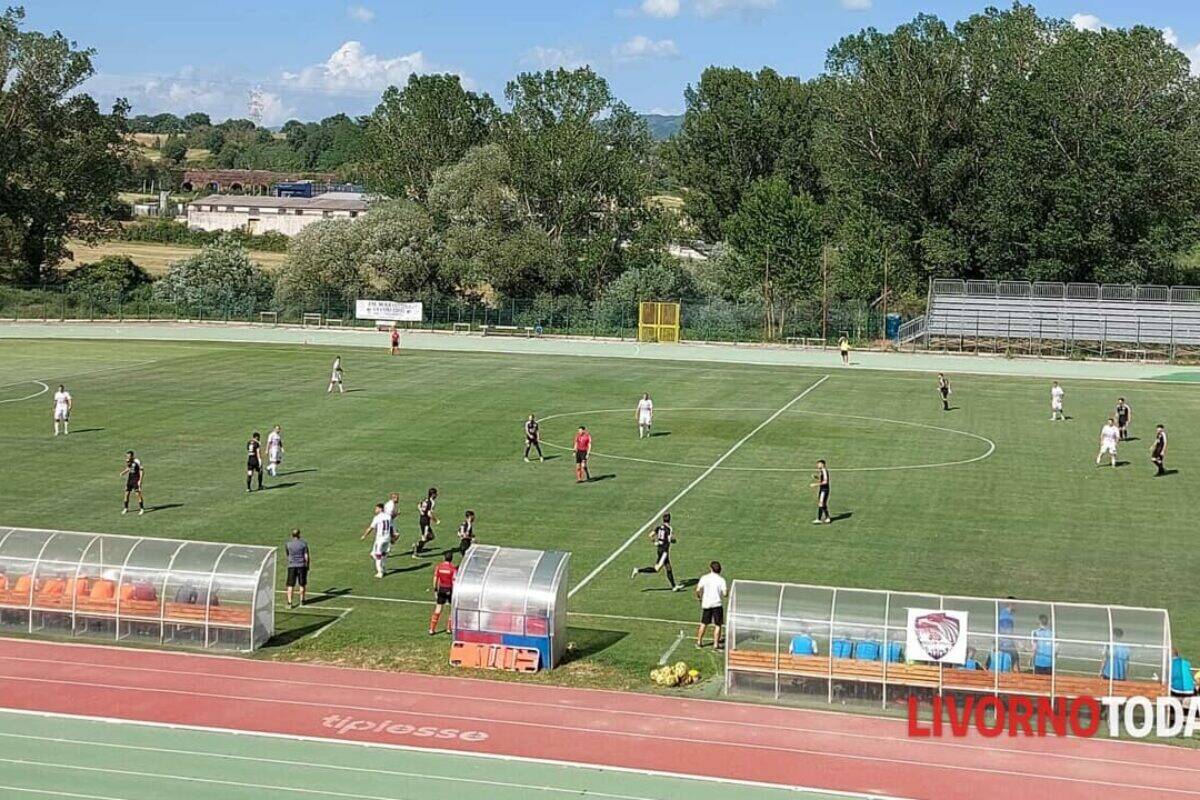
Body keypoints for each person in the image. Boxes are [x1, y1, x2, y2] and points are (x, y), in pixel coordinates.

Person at [631, 513, 680, 591]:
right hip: (664, 551)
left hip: (660, 549)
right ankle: (637, 570)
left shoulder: (659, 527)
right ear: (670, 519)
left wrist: (655, 542)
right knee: (657, 569)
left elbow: (650, 535)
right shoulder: (669, 529)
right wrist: (674, 541)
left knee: (668, 567)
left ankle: (674, 586)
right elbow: (670, 539)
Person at [695, 561, 727, 649]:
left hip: (707, 604)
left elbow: (698, 590)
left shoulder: (705, 578)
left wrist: (699, 597)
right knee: (718, 625)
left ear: (711, 568)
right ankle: (716, 644)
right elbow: (725, 594)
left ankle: (699, 642)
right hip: (717, 604)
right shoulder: (721, 580)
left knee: (704, 623)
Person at [429, 552, 457, 635]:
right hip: (450, 589)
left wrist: (435, 589)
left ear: (444, 558)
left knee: (438, 609)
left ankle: (431, 629)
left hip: (441, 589)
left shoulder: (439, 567)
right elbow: (454, 580)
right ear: (451, 559)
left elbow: (435, 578)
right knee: (452, 609)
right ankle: (449, 629)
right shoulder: (453, 569)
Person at [361, 502, 391, 578]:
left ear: (380, 509)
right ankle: (383, 568)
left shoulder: (377, 518)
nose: (375, 510)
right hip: (387, 538)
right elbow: (390, 527)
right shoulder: (388, 516)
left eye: (376, 508)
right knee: (382, 554)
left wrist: (364, 535)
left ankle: (380, 572)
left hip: (380, 539)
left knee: (377, 555)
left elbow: (371, 528)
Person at [284, 528, 310, 608]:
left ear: (292, 535)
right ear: (299, 534)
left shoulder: (288, 544)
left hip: (292, 566)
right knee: (302, 584)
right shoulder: (303, 544)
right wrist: (307, 565)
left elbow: (288, 555)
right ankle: (302, 600)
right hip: (301, 565)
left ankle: (289, 602)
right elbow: (306, 556)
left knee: (290, 585)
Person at [411, 487, 439, 557]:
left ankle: (419, 547)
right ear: (432, 494)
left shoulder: (425, 500)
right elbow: (429, 514)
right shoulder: (431, 502)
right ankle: (416, 548)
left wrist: (421, 511)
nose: (436, 495)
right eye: (435, 494)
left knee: (431, 536)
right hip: (425, 521)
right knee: (425, 537)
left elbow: (418, 505)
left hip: (422, 520)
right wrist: (436, 520)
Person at [121, 451, 145, 515]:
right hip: (130, 479)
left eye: (129, 456)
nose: (127, 457)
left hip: (135, 479)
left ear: (132, 456)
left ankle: (142, 509)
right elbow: (129, 468)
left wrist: (140, 480)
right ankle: (126, 508)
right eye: (127, 456)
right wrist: (123, 472)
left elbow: (142, 470)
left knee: (137, 494)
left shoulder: (137, 461)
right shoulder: (128, 461)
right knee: (126, 493)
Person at [810, 459, 831, 524]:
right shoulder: (822, 471)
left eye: (818, 464)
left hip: (824, 490)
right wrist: (816, 478)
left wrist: (815, 484)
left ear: (822, 464)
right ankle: (826, 518)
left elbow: (825, 482)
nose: (817, 465)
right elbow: (822, 480)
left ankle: (821, 518)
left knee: (821, 503)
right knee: (822, 503)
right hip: (822, 489)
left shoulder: (824, 471)